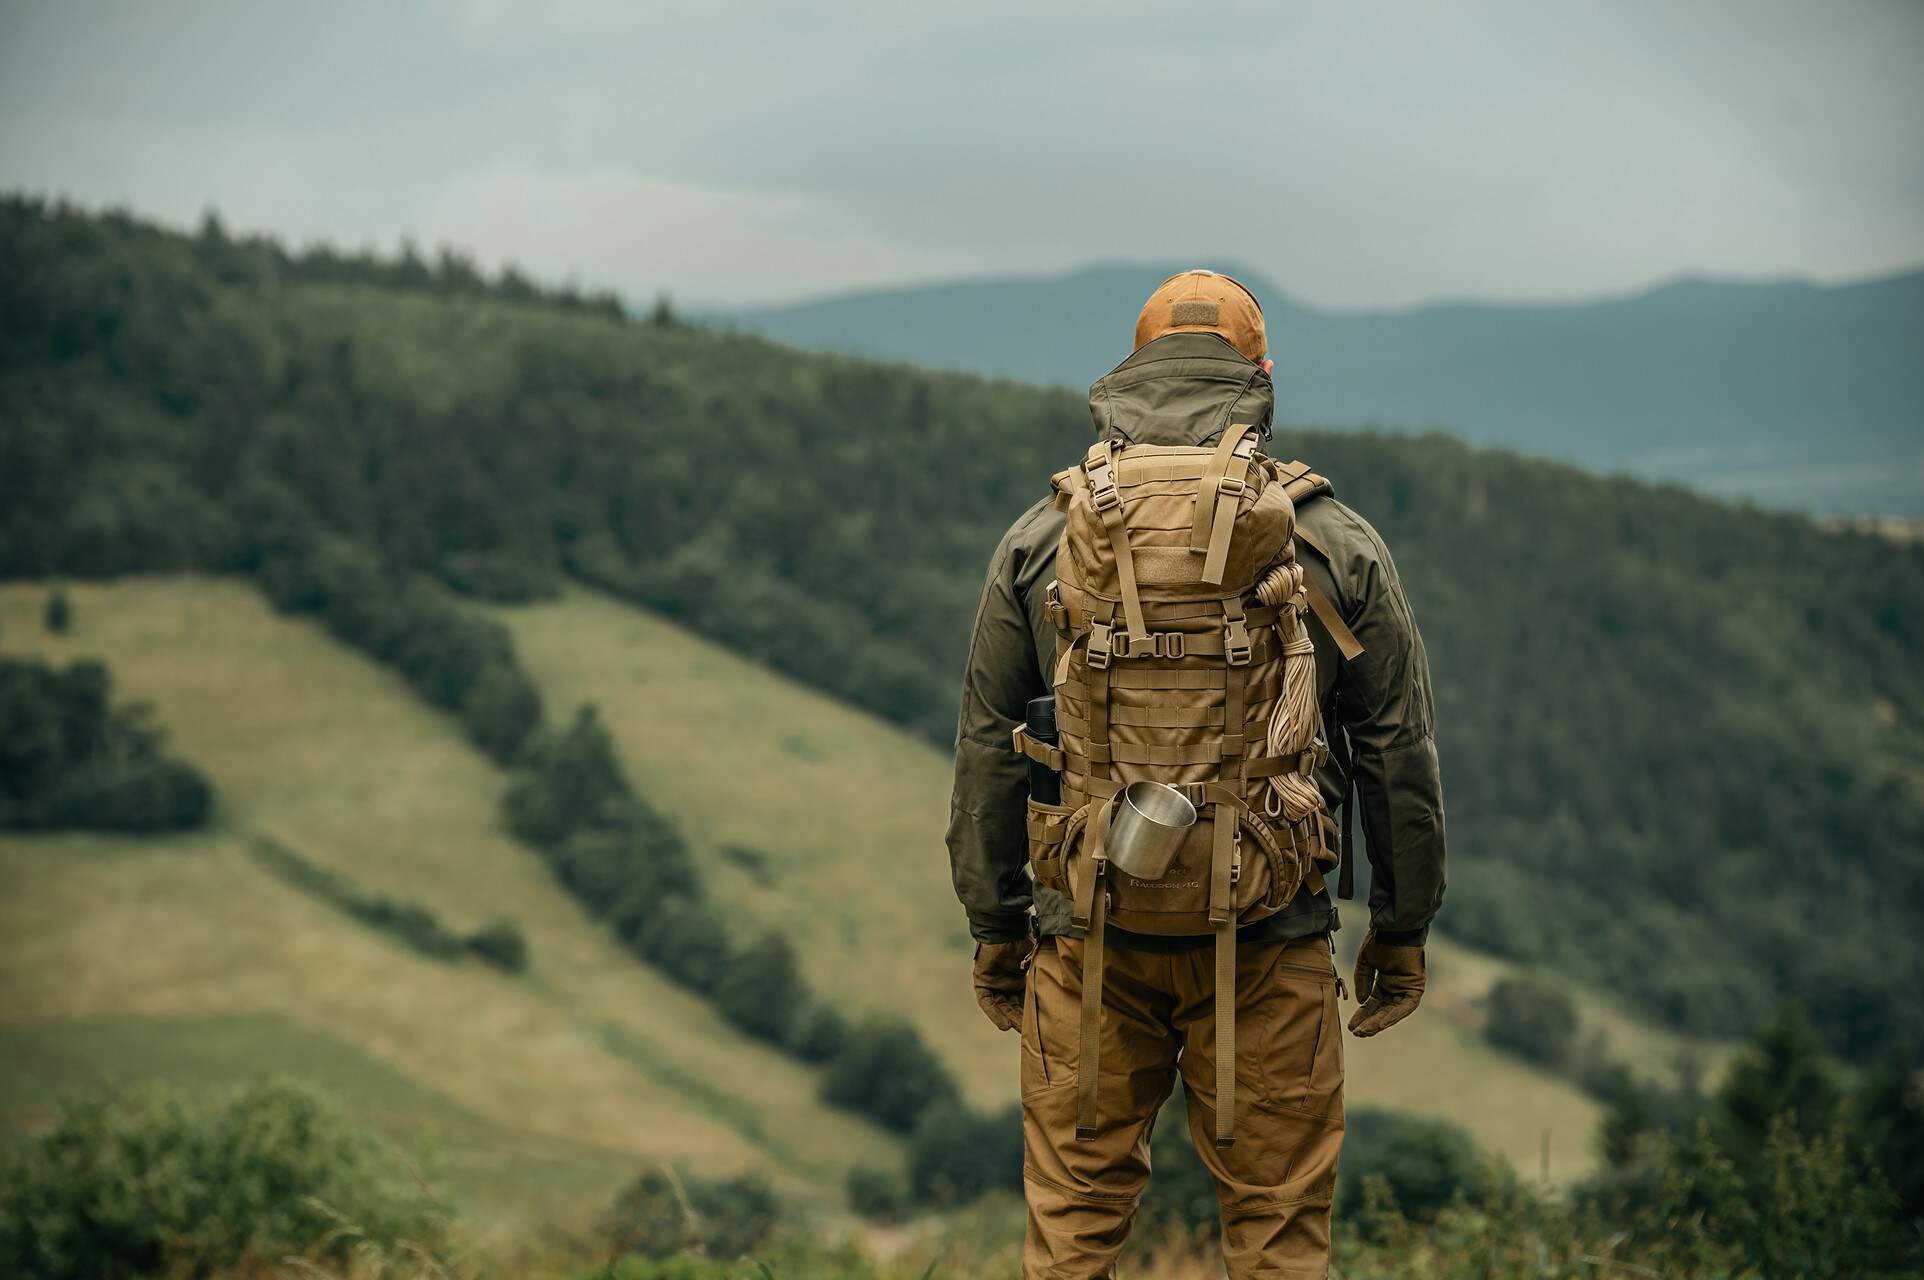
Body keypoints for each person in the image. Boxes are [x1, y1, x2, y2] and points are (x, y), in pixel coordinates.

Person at [945, 269, 1447, 1279]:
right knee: (1278, 1237)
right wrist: (1400, 927)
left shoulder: (1045, 537)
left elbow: (992, 744)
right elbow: (1394, 749)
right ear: (1262, 377)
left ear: (1131, 375)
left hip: (1087, 938)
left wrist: (996, 925)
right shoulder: (1330, 541)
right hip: (1271, 935)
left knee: (1073, 1232)